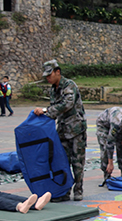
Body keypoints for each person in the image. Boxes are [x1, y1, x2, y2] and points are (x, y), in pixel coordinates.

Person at [34, 60, 87, 201]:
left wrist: (45, 110)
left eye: (49, 74)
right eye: (46, 76)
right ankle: (64, 191)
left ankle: (78, 189)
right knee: (62, 162)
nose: (48, 78)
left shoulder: (69, 85)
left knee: (77, 162)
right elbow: (54, 111)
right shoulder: (53, 89)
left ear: (58, 72)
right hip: (62, 130)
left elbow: (67, 104)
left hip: (76, 130)